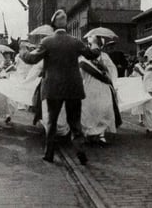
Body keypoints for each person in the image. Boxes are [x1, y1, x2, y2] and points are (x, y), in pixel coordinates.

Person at [19, 9, 100, 165]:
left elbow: (31, 59)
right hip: (73, 88)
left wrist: (23, 51)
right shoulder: (75, 42)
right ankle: (80, 152)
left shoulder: (47, 42)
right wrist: (95, 44)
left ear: (53, 24)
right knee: (75, 123)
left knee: (52, 122)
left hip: (53, 89)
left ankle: (49, 154)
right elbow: (92, 54)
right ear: (67, 24)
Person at [78, 38, 121, 145]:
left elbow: (112, 70)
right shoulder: (83, 59)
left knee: (102, 110)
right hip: (91, 87)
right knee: (91, 110)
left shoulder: (104, 57)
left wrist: (104, 67)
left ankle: (99, 135)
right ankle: (91, 134)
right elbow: (81, 74)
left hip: (100, 87)